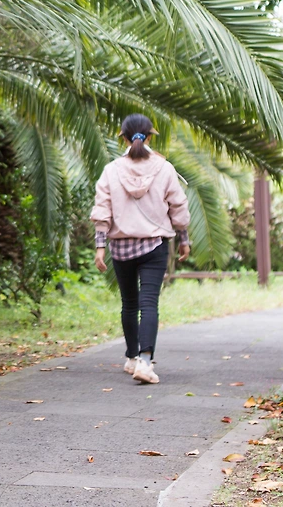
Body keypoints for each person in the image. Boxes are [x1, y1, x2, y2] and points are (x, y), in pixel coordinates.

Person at [91, 114, 190, 385]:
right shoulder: (164, 168)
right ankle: (145, 362)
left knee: (129, 303)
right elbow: (178, 206)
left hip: (120, 248)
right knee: (148, 303)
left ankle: (132, 358)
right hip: (154, 245)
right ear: (149, 137)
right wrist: (184, 239)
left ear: (124, 137)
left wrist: (100, 247)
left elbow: (102, 209)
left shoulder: (111, 169)